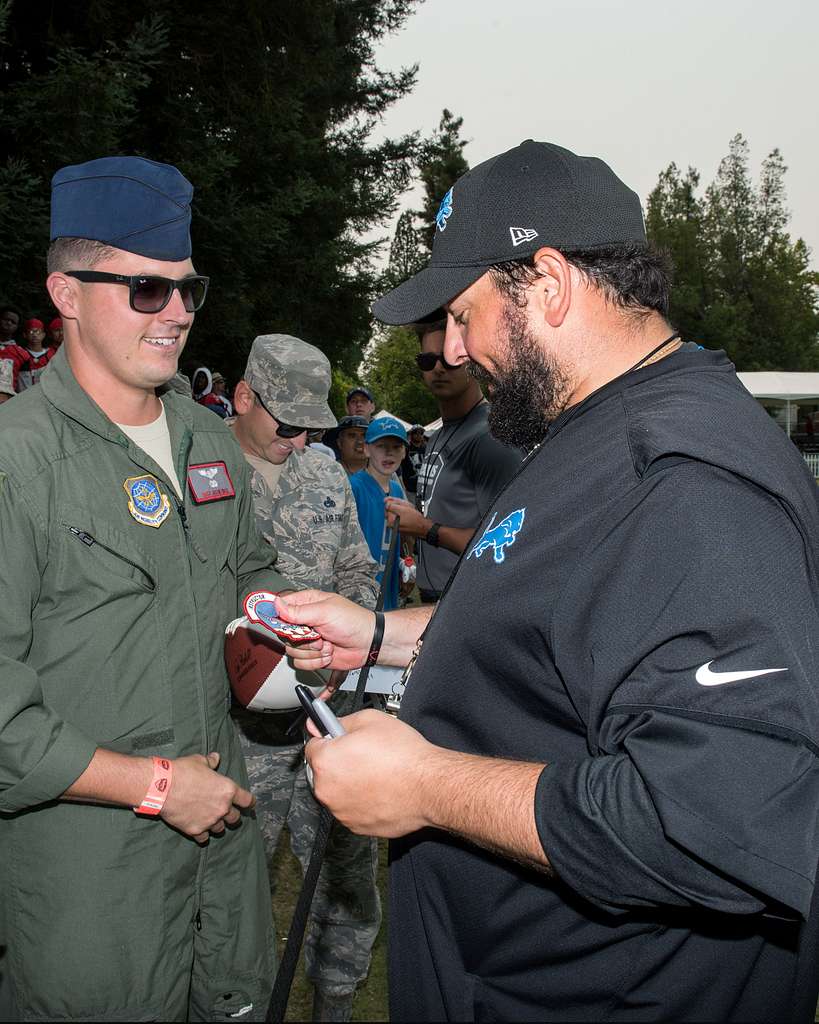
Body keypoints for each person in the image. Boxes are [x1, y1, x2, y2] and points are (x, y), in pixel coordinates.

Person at [277, 140, 819, 1023]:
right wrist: (379, 635)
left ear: (551, 283)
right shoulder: (589, 428)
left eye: (464, 314)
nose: (453, 350)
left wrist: (424, 786)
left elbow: (716, 818)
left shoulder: (683, 482)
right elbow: (568, 611)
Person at [0, 155, 292, 1021]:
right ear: (66, 293)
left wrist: (283, 625)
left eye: (187, 292)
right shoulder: (16, 461)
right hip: (92, 891)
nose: (175, 316)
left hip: (221, 872)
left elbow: (247, 573)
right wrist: (155, 786)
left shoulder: (207, 442)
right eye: (145, 292)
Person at [228, 333, 382, 1023]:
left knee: (347, 875)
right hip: (242, 732)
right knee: (231, 890)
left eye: (310, 427)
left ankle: (336, 1004)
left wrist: (348, 627)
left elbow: (357, 568)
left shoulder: (326, 475)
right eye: (283, 424)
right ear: (242, 397)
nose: (297, 440)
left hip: (329, 712)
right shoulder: (199, 467)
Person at [387, 317, 522, 602]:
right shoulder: (438, 436)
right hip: (435, 600)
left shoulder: (490, 437)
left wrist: (426, 529)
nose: (437, 368)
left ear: (472, 359)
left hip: (471, 602)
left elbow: (511, 541)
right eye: (427, 360)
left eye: (449, 360)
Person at [349, 417, 408, 612]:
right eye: (381, 445)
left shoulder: (397, 490)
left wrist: (403, 563)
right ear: (366, 449)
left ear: (404, 452)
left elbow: (397, 540)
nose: (389, 452)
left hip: (388, 586)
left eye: (397, 446)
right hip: (360, 590)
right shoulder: (353, 486)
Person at [18, 317, 57, 389]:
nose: (35, 335)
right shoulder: (19, 353)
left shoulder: (52, 354)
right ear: (25, 335)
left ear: (43, 335)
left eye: (38, 332)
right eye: (31, 332)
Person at [0, 305, 29, 392]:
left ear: (17, 327)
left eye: (13, 322)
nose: (9, 323)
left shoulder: (23, 355)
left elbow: (23, 387)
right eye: (6, 319)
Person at [399, 423, 426, 497]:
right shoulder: (406, 448)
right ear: (411, 434)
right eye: (416, 433)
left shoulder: (426, 448)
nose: (419, 435)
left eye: (421, 433)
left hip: (424, 486)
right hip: (410, 486)